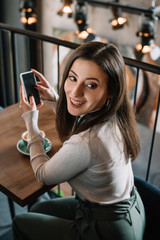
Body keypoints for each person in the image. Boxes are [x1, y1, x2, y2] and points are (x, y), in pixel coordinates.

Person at [13, 41, 145, 240]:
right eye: (73, 78)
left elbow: (43, 175)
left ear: (111, 90)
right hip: (130, 211)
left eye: (91, 85)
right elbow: (82, 121)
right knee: (40, 206)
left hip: (107, 229)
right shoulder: (115, 115)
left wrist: (31, 122)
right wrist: (53, 99)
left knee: (20, 222)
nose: (75, 92)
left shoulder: (86, 142)